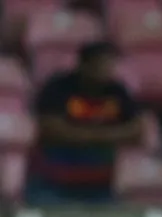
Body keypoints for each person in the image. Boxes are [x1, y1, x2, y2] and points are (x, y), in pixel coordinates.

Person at [26, 41, 143, 205]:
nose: (106, 68)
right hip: (52, 185)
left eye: (110, 63)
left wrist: (81, 134)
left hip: (99, 187)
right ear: (84, 64)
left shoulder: (118, 91)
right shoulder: (58, 88)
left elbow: (137, 132)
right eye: (101, 63)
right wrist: (110, 135)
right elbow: (52, 130)